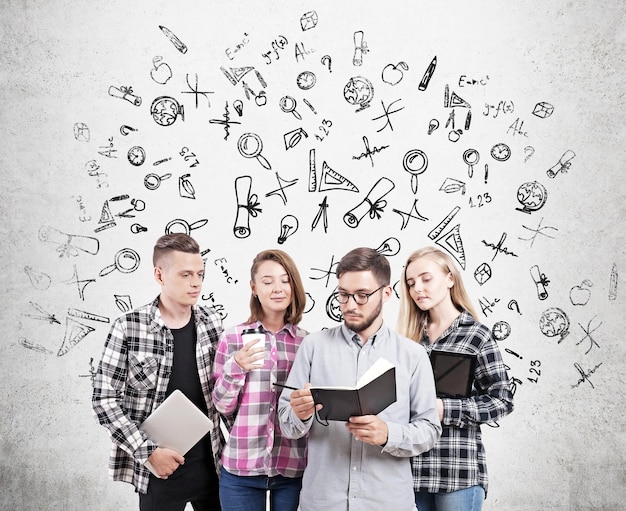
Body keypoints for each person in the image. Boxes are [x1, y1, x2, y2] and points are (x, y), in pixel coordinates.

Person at [278, 247, 442, 511]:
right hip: (322, 503)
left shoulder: (413, 355)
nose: (350, 305)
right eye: (343, 295)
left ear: (386, 293)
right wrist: (299, 413)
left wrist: (389, 434)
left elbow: (430, 430)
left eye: (362, 296)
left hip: (388, 503)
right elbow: (287, 425)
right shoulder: (313, 346)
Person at [92, 233, 227, 511]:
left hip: (213, 465)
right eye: (186, 274)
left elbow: (225, 390)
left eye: (200, 274)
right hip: (158, 470)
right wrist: (149, 453)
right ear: (159, 275)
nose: (196, 282)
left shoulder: (212, 322)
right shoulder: (128, 326)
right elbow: (104, 400)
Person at [396, 246, 514, 511]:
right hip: (411, 473)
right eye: (411, 283)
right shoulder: (407, 340)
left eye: (426, 279)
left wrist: (443, 409)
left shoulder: (477, 335)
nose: (417, 289)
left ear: (450, 279)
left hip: (458, 471)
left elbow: (502, 401)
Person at [212, 249, 308, 511]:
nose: (278, 288)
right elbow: (222, 405)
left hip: (291, 469)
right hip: (241, 469)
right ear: (254, 288)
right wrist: (237, 366)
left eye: (285, 280)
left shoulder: (306, 343)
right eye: (267, 281)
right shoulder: (233, 338)